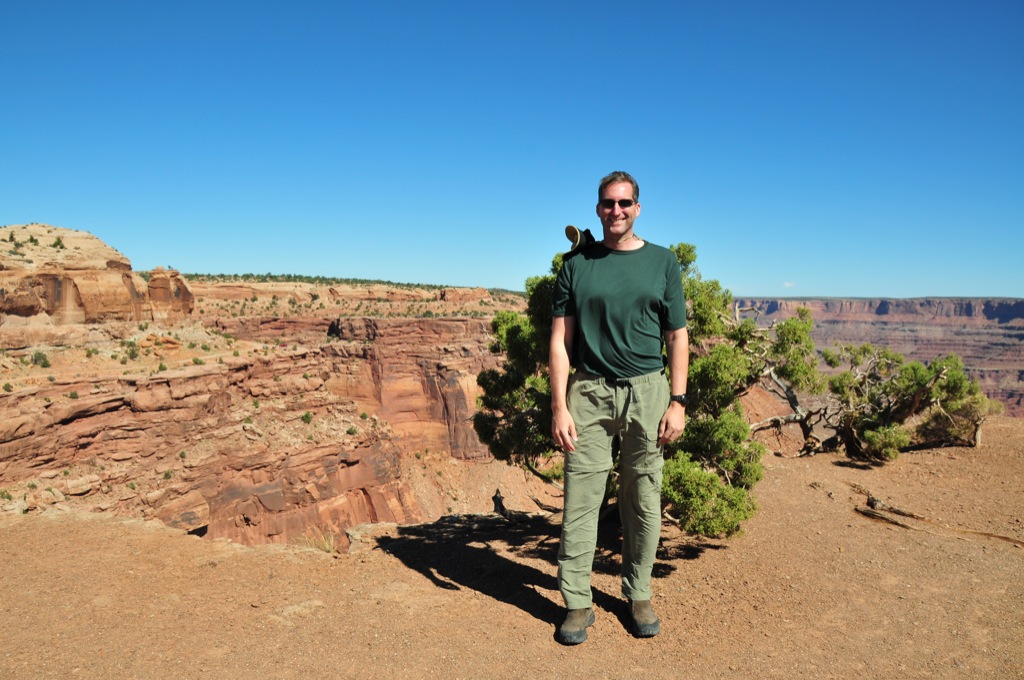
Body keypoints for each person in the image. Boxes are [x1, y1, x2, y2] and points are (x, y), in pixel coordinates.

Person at [549, 171, 689, 644]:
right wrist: (559, 407)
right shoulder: (576, 265)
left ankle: (639, 592)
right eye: (608, 204)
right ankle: (576, 602)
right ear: (597, 209)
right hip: (587, 393)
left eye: (625, 203)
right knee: (580, 501)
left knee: (644, 498)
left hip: (648, 392)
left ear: (638, 207)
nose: (617, 211)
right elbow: (560, 342)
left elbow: (677, 337)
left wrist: (678, 401)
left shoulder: (663, 262)